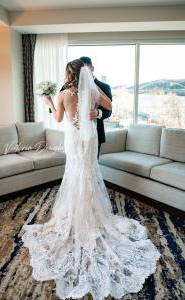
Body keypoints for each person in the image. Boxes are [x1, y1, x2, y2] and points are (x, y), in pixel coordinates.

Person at [21, 59, 161, 300]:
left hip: (74, 139)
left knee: (76, 173)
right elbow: (109, 106)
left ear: (69, 73)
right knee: (88, 171)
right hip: (90, 138)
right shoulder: (93, 90)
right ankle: (92, 214)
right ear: (85, 73)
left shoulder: (63, 93)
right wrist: (95, 108)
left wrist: (47, 103)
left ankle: (78, 214)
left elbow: (57, 118)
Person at [79, 56, 113, 157]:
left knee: (92, 165)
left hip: (96, 132)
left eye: (86, 69)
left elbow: (109, 110)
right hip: (77, 132)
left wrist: (98, 113)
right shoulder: (72, 86)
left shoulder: (104, 87)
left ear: (92, 68)